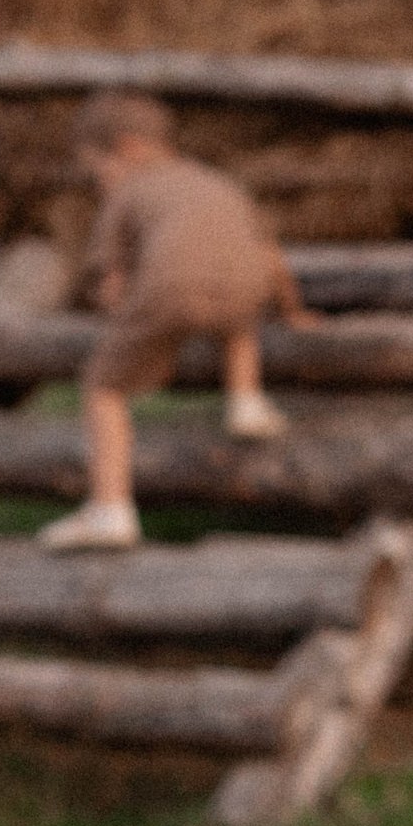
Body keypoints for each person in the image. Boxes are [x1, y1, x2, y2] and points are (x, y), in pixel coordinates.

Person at [39, 92, 299, 555]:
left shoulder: (129, 191)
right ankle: (246, 400)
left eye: (99, 170)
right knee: (235, 311)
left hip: (172, 289)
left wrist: (120, 314)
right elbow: (268, 254)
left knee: (103, 386)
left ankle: (109, 510)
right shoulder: (217, 182)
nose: (101, 182)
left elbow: (110, 275)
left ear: (127, 148)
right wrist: (293, 310)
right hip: (249, 287)